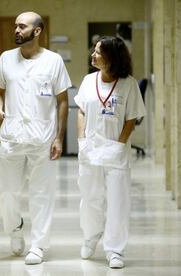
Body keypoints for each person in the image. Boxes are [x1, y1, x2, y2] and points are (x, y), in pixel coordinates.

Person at [0, 11, 71, 265]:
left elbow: (62, 101)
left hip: (42, 138)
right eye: (15, 26)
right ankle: (15, 228)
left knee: (42, 194)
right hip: (11, 137)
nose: (17, 30)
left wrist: (59, 137)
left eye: (22, 26)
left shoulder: (53, 61)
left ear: (37, 31)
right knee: (7, 192)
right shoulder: (6, 59)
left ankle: (39, 246)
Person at [75, 36, 145, 269]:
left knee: (118, 201)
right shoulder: (88, 80)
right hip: (91, 148)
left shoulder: (129, 84)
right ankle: (90, 237)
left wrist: (119, 144)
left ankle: (115, 249)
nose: (92, 55)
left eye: (98, 52)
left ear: (112, 58)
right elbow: (82, 111)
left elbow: (132, 117)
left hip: (116, 152)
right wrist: (82, 139)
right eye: (93, 51)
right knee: (90, 197)